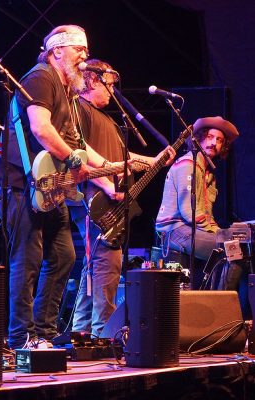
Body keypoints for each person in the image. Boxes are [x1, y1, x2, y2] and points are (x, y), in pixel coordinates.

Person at [0, 25, 122, 350]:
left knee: (64, 255)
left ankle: (43, 334)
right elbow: (40, 129)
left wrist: (112, 165)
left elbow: (77, 143)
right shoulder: (41, 77)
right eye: (79, 49)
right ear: (57, 51)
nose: (84, 57)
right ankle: (21, 338)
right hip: (23, 185)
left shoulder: (69, 95)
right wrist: (78, 165)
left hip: (50, 188)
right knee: (28, 259)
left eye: (86, 50)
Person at [69, 59, 175, 338]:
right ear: (92, 80)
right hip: (94, 198)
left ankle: (83, 332)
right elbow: (77, 150)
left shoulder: (110, 122)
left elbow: (125, 160)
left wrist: (155, 161)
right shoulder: (79, 109)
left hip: (109, 198)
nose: (113, 91)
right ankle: (102, 334)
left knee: (97, 266)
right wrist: (105, 184)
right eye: (110, 84)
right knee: (108, 263)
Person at [155, 116, 240, 291]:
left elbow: (207, 216)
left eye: (219, 140)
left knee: (236, 248)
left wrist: (221, 232)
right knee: (232, 250)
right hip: (174, 230)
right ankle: (219, 306)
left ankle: (211, 304)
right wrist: (220, 234)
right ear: (199, 138)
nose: (214, 143)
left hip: (190, 230)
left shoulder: (208, 173)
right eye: (210, 137)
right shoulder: (188, 164)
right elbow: (188, 212)